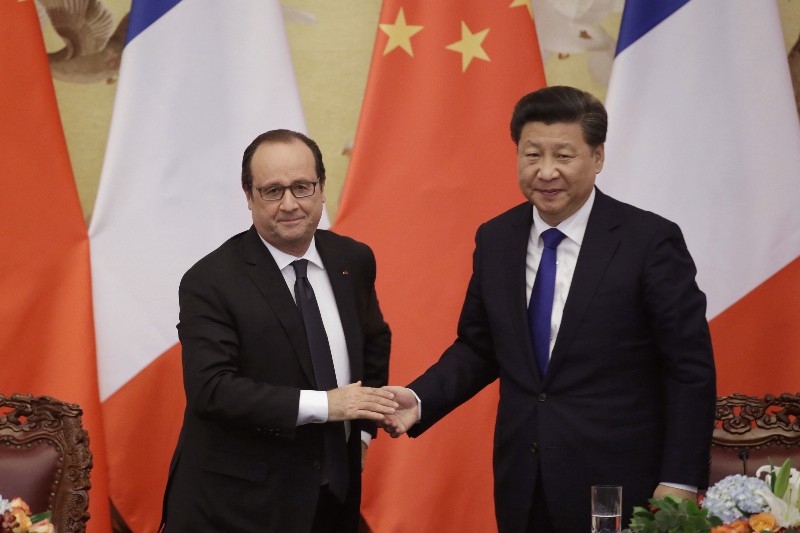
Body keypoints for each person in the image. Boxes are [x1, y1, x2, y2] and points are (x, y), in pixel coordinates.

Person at [382, 86, 716, 532]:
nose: (545, 171)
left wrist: (679, 479)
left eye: (563, 155)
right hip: (525, 476)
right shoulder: (496, 238)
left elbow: (689, 369)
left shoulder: (649, 242)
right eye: (531, 154)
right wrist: (422, 398)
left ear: (597, 158)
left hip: (618, 482)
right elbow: (480, 347)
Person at [160, 129, 396, 533]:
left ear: (322, 188)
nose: (290, 204)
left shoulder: (352, 259)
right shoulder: (210, 281)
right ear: (249, 196)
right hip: (238, 507)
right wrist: (328, 406)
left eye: (302, 187)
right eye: (272, 191)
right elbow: (212, 390)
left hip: (332, 496)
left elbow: (374, 341)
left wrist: (362, 434)